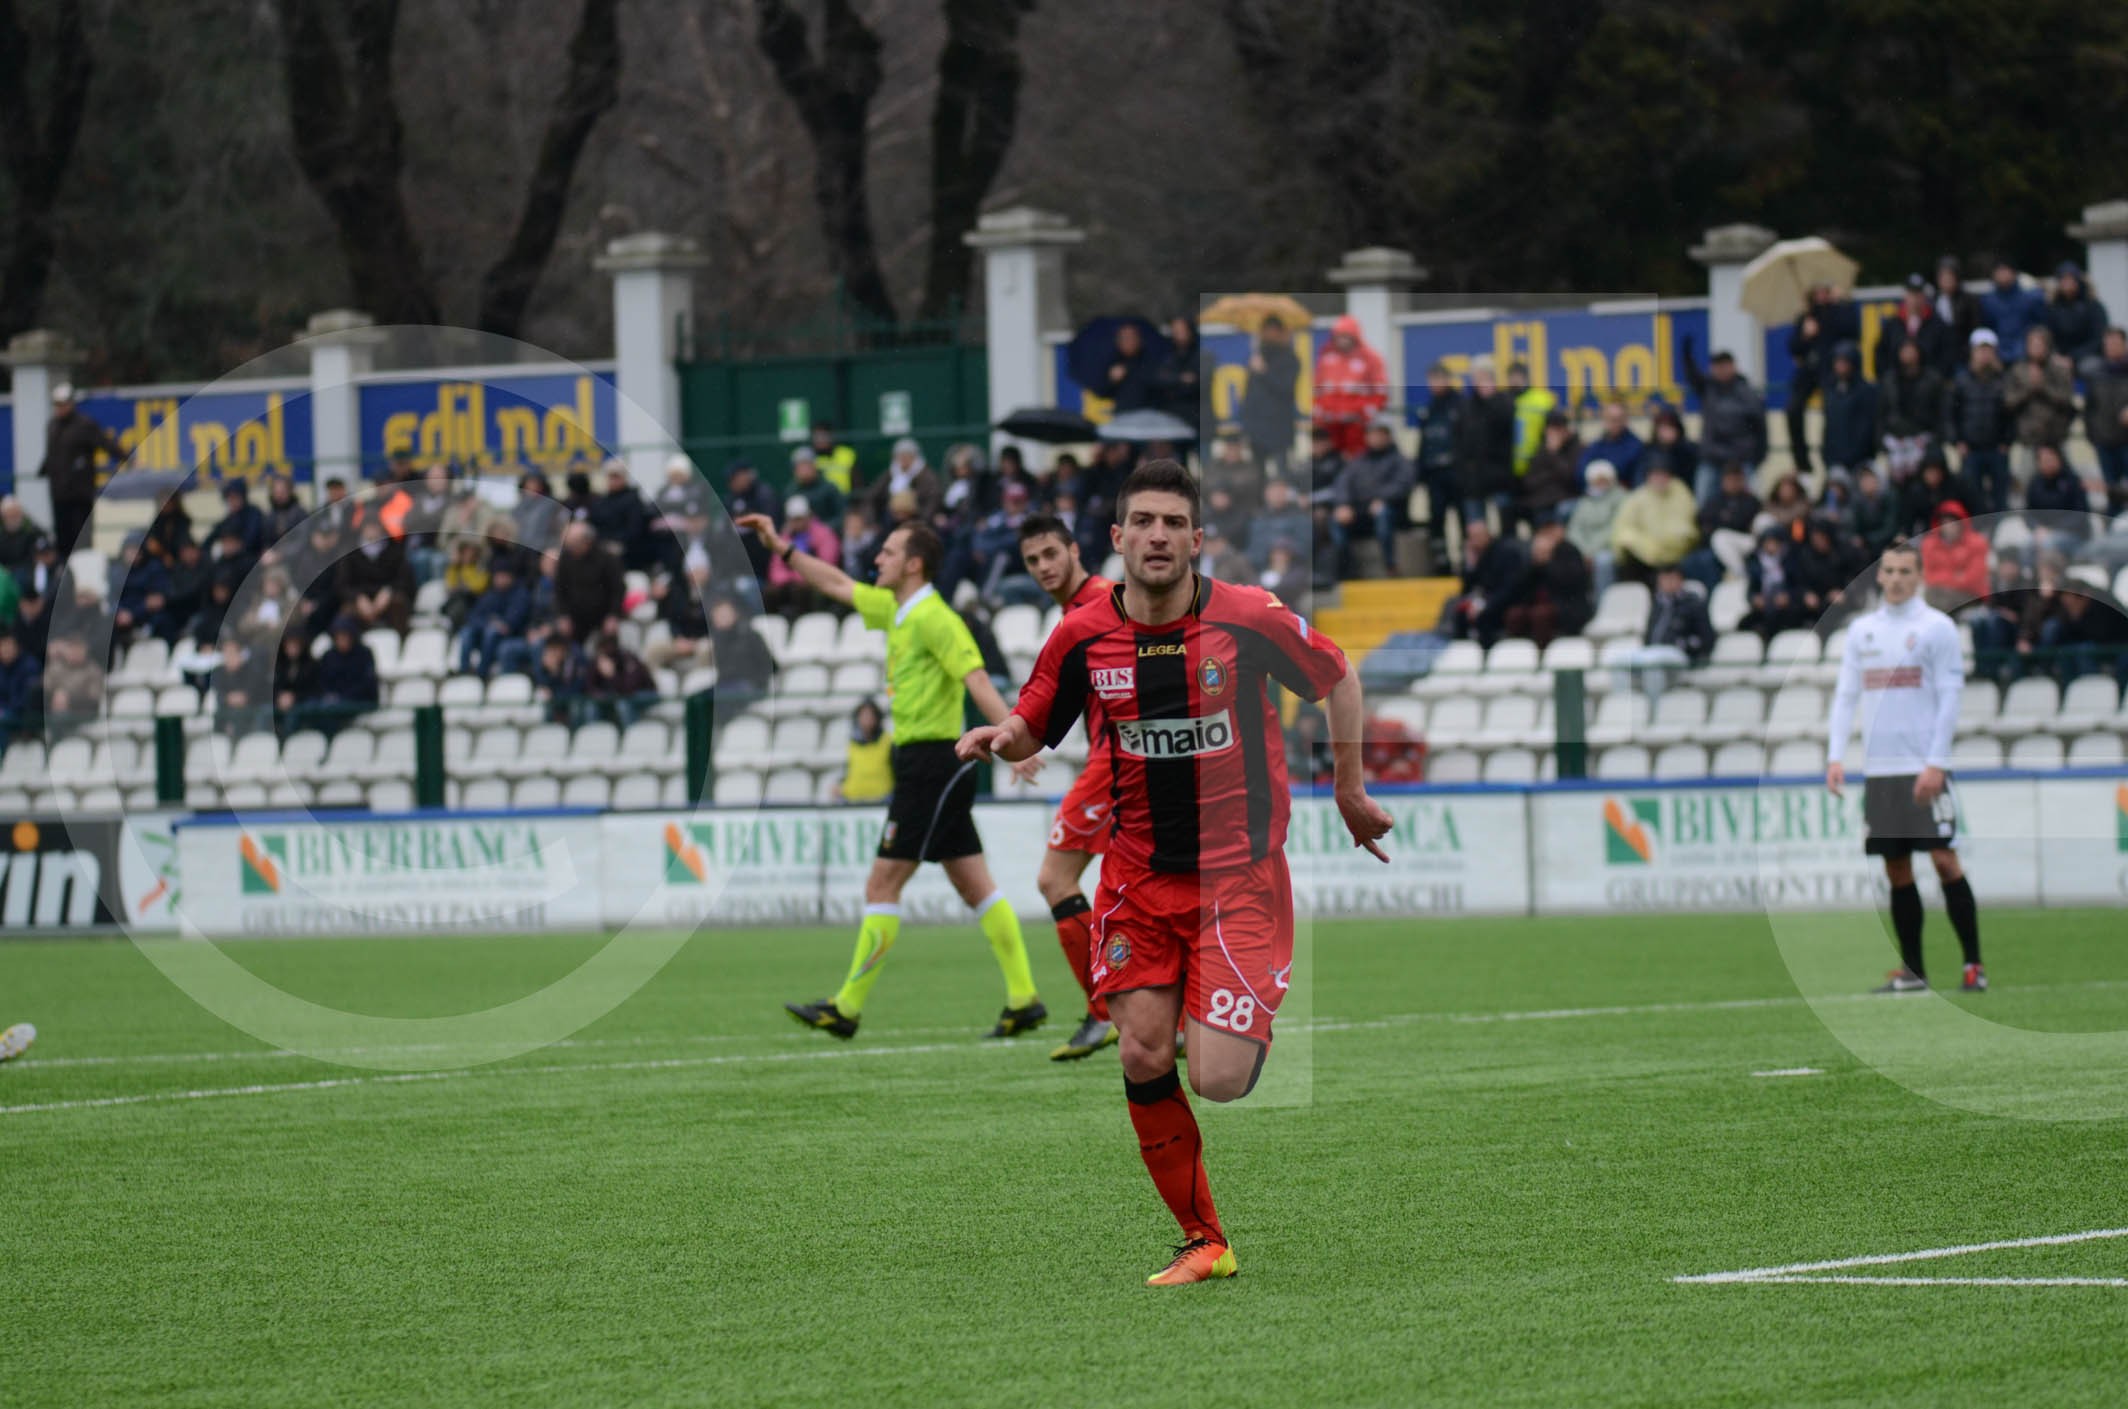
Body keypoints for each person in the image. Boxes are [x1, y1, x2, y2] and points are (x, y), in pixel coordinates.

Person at [955, 457, 1393, 1287]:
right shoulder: (1083, 633)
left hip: (1238, 880)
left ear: (1198, 537)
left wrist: (1350, 787)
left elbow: (1337, 674)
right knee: (1142, 1053)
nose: (1158, 535)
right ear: (1117, 538)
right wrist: (997, 740)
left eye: (1173, 522)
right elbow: (1032, 718)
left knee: (1217, 1079)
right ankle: (1205, 1239)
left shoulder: (1248, 618)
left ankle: (1224, 1004)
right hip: (1133, 878)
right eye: (1143, 522)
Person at [737, 510, 1045, 1042]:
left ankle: (847, 1007)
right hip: (925, 763)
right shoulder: (896, 608)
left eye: (888, 551)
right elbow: (833, 582)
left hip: (933, 762)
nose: (877, 558)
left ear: (914, 564)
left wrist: (1013, 741)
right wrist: (779, 547)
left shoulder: (936, 618)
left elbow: (976, 678)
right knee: (974, 884)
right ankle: (1024, 999)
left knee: (883, 882)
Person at [1825, 541, 1984, 994]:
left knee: (1943, 859)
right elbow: (1846, 696)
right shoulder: (1862, 631)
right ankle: (1913, 971)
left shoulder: (1937, 628)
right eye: (1888, 571)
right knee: (1896, 868)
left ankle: (1974, 964)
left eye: (1904, 572)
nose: (1895, 579)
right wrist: (1836, 756)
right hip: (1881, 771)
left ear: (1919, 577)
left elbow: (1951, 697)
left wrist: (1936, 761)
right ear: (1879, 576)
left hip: (1923, 766)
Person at [1011, 512, 1123, 1061]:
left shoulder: (1101, 602)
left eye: (1050, 554)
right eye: (1033, 560)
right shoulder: (1081, 610)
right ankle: (1156, 1013)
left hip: (1116, 761)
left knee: (1055, 879)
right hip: (1122, 760)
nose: (1043, 568)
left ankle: (1106, 1011)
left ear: (1075, 550)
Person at [41, 383, 125, 552]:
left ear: (71, 403)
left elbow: (105, 443)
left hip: (80, 493)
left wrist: (126, 457)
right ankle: (64, 573)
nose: (60, 408)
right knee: (63, 539)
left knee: (82, 539)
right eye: (57, 404)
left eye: (63, 404)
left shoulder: (84, 424)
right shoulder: (53, 426)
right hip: (59, 493)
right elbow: (53, 453)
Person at [1680, 344, 1766, 503]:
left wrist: (1757, 456)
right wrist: (1686, 356)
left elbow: (1759, 427)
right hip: (1712, 457)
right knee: (1703, 501)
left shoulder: (1746, 391)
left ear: (1733, 366)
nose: (1721, 370)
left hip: (1741, 458)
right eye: (1717, 366)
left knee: (1754, 501)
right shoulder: (1708, 388)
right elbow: (1692, 375)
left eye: (1725, 365)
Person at [1331, 414, 1415, 577]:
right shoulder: (1358, 461)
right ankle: (1346, 568)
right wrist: (1343, 504)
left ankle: (1390, 564)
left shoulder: (1400, 460)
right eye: (1372, 434)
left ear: (1388, 436)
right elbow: (1342, 483)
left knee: (1383, 514)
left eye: (1380, 434)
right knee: (1335, 521)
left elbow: (1403, 485)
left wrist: (1382, 499)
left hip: (1393, 512)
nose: (1375, 438)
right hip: (1361, 511)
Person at [1944, 329, 2013, 514]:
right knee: (1971, 494)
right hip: (1970, 449)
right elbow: (1951, 414)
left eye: (1988, 350)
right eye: (1980, 350)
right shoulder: (1961, 382)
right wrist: (1957, 441)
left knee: (2000, 497)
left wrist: (2007, 442)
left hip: (1996, 448)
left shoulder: (2004, 381)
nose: (1984, 355)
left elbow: (2010, 415)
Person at [1610, 462, 1699, 585]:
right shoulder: (1637, 498)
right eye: (1656, 475)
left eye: (1663, 475)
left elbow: (1685, 528)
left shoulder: (1681, 493)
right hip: (1646, 556)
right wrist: (1645, 546)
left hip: (1677, 553)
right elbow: (1623, 528)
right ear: (1648, 477)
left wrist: (1661, 546)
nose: (1660, 479)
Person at [1312, 315, 1387, 457]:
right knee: (1330, 461)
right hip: (1331, 424)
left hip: (1356, 425)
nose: (1342, 340)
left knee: (1356, 459)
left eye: (1346, 336)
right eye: (1339, 336)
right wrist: (1320, 413)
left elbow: (1380, 391)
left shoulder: (1370, 359)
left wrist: (1364, 413)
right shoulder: (1327, 358)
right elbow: (1318, 389)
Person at [1241, 315, 1302, 474]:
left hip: (1279, 426)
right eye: (1265, 330)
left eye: (1272, 330)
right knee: (1257, 474)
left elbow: (1286, 388)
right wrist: (1247, 421)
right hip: (1257, 427)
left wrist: (1264, 372)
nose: (1268, 334)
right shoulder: (1257, 357)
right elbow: (1250, 394)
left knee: (1282, 472)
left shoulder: (1290, 358)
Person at [1875, 273, 1958, 380]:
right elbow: (1881, 356)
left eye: (1918, 294)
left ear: (1924, 296)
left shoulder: (1938, 325)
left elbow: (1947, 358)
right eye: (1911, 293)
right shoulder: (1892, 325)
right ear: (1905, 295)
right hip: (1898, 387)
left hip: (1929, 387)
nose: (1915, 299)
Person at [1566, 460, 1625, 598]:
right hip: (1585, 550)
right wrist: (1582, 551)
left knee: (1603, 561)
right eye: (1596, 480)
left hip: (1609, 547)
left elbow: (1616, 527)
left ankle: (1603, 602)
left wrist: (1592, 551)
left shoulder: (1621, 497)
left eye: (1603, 480)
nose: (1599, 484)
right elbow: (1575, 528)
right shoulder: (1585, 501)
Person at [2083, 326, 2128, 502]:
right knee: (2111, 491)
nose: (2112, 346)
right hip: (2104, 441)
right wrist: (2093, 437)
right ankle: (2113, 525)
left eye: (2116, 342)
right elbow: (2089, 409)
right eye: (2108, 342)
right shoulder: (2096, 373)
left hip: (2126, 441)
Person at [1644, 565, 1714, 663]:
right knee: (1623, 659)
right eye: (1663, 580)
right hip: (1653, 651)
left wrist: (1682, 645)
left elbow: (1706, 638)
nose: (1667, 583)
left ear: (1680, 580)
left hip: (1680, 654)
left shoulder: (1693, 604)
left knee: (1655, 660)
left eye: (1671, 579)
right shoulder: (1658, 605)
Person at [2044, 262, 2110, 367]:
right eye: (2063, 279)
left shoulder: (2093, 306)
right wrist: (2056, 355)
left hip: (2087, 355)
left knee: (2089, 367)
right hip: (2059, 356)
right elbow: (2048, 335)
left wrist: (2073, 357)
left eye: (2070, 279)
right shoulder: (2052, 307)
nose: (2067, 283)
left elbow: (2098, 338)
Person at [1979, 258, 2046, 356]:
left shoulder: (2029, 299)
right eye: (1999, 271)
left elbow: (2039, 326)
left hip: (2025, 354)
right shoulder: (1987, 301)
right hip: (1997, 354)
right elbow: (1986, 330)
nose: (2003, 274)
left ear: (2014, 273)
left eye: (2006, 270)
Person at [834, 698, 892, 804]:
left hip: (882, 801)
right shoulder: (852, 743)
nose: (867, 719)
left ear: (877, 718)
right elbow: (847, 771)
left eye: (870, 715)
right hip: (852, 801)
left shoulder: (887, 742)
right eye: (863, 715)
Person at [1578, 400, 1645, 490]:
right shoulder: (1597, 444)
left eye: (1618, 419)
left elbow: (1635, 479)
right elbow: (1581, 470)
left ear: (1625, 420)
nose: (1614, 423)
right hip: (1595, 494)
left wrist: (1603, 476)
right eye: (1610, 419)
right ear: (1604, 420)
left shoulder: (1636, 446)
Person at [809, 421, 858, 495]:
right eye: (817, 437)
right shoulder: (810, 457)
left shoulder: (846, 453)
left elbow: (856, 480)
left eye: (824, 436)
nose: (820, 440)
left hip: (845, 498)